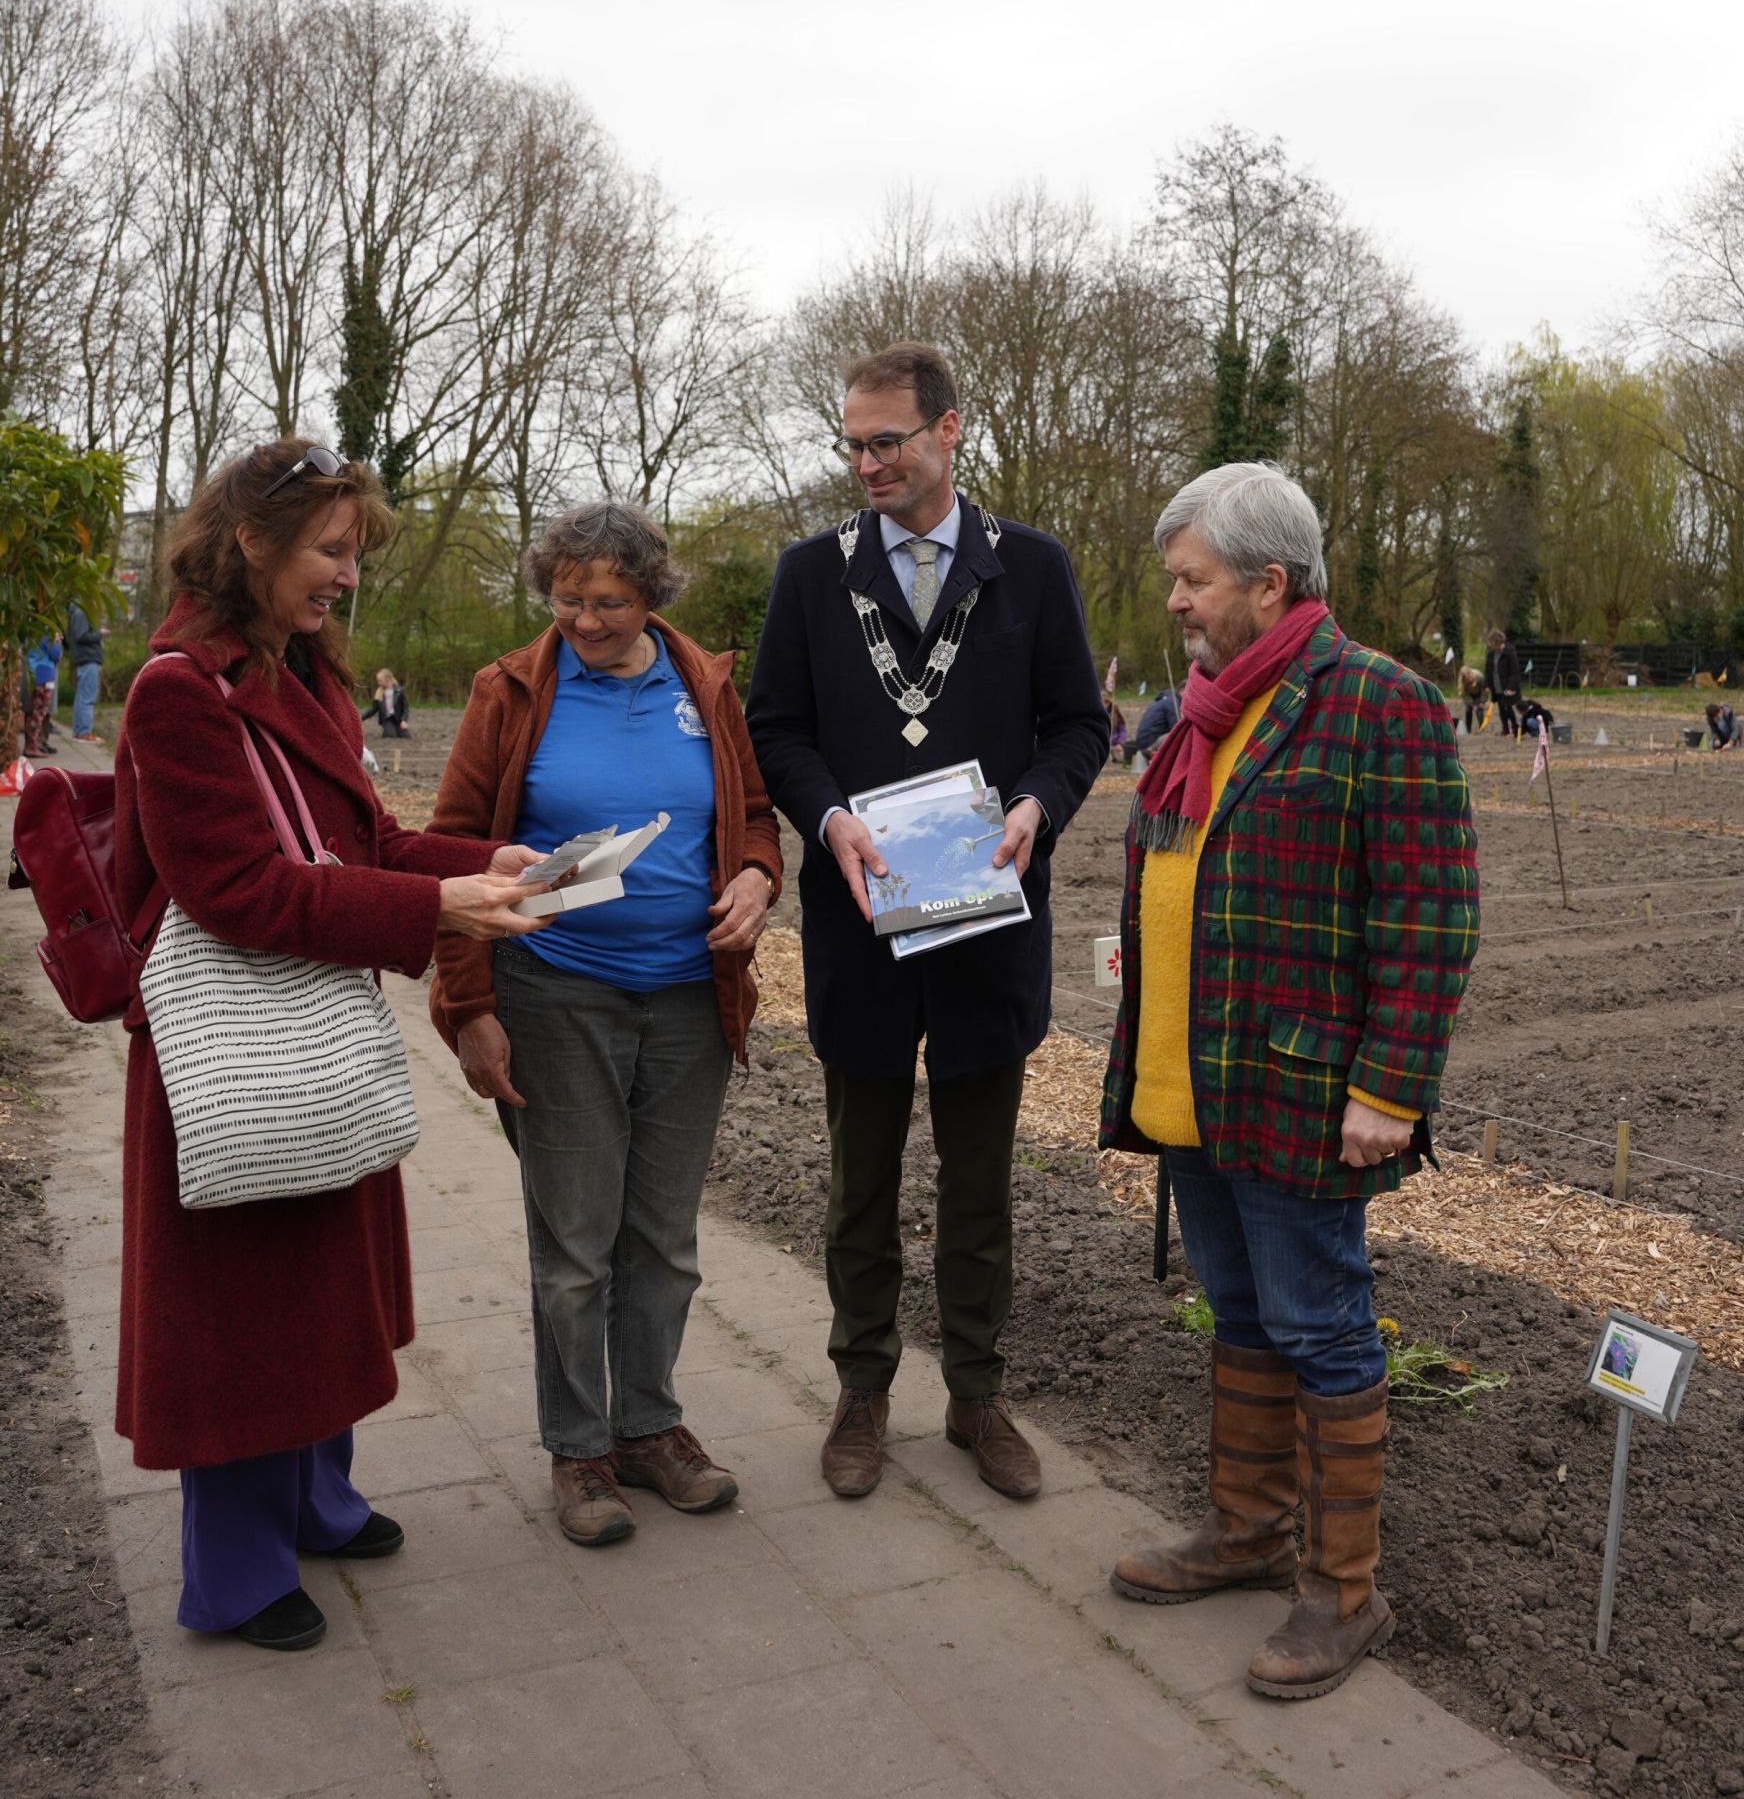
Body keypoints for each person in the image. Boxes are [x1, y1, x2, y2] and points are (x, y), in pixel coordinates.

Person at [113, 439, 555, 1653]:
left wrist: (482, 865)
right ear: (250, 542)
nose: (348, 577)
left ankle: (317, 1498)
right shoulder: (175, 691)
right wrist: (438, 911)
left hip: (305, 1027)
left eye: (355, 553)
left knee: (318, 1286)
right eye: (331, 550)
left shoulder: (301, 671)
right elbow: (239, 893)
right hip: (233, 1047)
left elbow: (355, 841)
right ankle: (237, 1574)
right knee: (245, 1308)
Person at [1100, 462, 1479, 1700]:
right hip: (1194, 1079)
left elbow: (1429, 916)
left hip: (1307, 1088)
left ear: (1270, 584)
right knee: (1242, 1312)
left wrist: (1391, 1084)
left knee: (1321, 1321)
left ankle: (1341, 1588)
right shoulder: (1203, 710)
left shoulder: (1379, 705)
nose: (1176, 602)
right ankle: (1246, 1532)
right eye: (1174, 580)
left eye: (1193, 580)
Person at [746, 343, 1108, 1502]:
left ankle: (977, 1394)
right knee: (857, 1177)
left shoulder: (1032, 571)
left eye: (885, 441)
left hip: (987, 921)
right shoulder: (812, 576)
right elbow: (777, 728)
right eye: (850, 442)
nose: (864, 463)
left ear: (951, 431)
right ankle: (860, 1390)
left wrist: (1037, 803)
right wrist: (828, 817)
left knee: (979, 1181)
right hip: (858, 925)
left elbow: (1077, 724)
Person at [427, 500, 783, 1548]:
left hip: (687, 996)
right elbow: (450, 849)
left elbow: (753, 814)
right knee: (576, 1245)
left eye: (610, 602)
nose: (586, 619)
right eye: (569, 598)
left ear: (651, 594)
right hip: (556, 992)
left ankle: (650, 1427)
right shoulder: (511, 690)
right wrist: (470, 1008)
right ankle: (579, 1448)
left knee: (664, 1240)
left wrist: (761, 875)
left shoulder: (704, 684)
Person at [66, 600, 109, 741]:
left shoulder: (76, 613)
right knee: (87, 698)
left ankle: (79, 731)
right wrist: (99, 634)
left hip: (84, 660)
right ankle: (84, 732)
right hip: (89, 660)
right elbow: (81, 636)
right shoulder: (82, 613)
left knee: (81, 697)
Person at [22, 633, 61, 755]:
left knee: (32, 712)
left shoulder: (31, 626)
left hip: (33, 669)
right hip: (45, 672)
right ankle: (32, 746)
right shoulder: (46, 629)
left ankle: (32, 744)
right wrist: (57, 642)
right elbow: (55, 654)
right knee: (39, 712)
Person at [1485, 628, 1522, 735]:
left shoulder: (1510, 653)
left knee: (1508, 707)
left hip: (1507, 686)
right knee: (1501, 708)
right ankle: (1505, 729)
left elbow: (1514, 672)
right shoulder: (1491, 655)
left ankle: (1515, 727)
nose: (1489, 644)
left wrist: (1510, 687)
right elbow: (1488, 671)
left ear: (1496, 641)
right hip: (1496, 686)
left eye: (1491, 642)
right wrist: (1487, 685)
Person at [359, 668, 411, 737]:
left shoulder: (400, 691)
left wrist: (404, 720)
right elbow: (373, 709)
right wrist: (360, 718)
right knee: (390, 735)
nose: (378, 683)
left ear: (387, 679)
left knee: (406, 737)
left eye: (380, 681)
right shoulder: (379, 693)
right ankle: (388, 729)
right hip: (387, 719)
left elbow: (405, 708)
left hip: (398, 719)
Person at [1134, 681, 1182, 755]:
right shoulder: (1173, 702)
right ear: (1183, 690)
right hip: (1151, 744)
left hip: (1142, 743)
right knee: (1183, 736)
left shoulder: (1161, 701)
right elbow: (1177, 728)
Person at [1457, 664, 1486, 734]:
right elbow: (1464, 694)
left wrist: (1482, 701)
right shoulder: (1462, 682)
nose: (1468, 679)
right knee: (1468, 710)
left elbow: (1484, 690)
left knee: (1479, 710)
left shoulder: (1479, 676)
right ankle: (1468, 729)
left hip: (1479, 693)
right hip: (1469, 695)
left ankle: (1481, 728)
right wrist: (1472, 704)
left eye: (1469, 677)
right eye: (1466, 678)